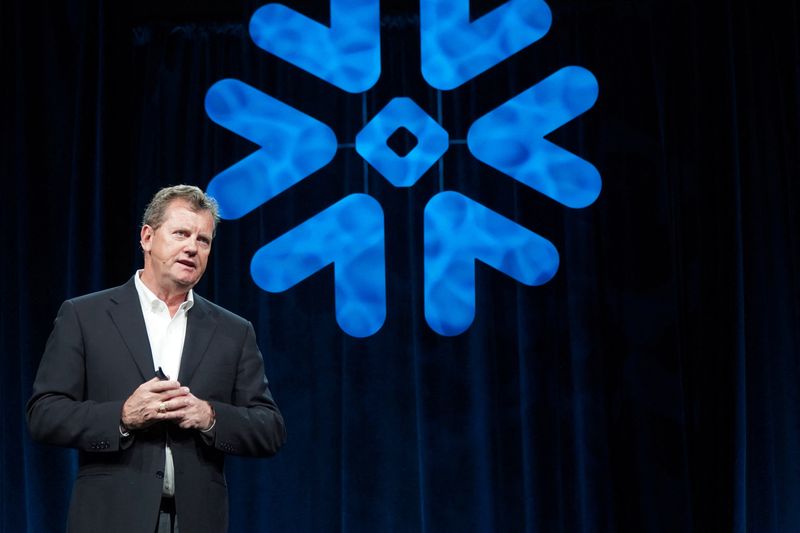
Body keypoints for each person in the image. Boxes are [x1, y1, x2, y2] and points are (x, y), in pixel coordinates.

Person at [27, 185, 286, 533]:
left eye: (203, 240)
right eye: (180, 233)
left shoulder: (233, 331)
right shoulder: (85, 316)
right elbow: (44, 414)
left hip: (196, 522)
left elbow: (269, 429)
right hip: (109, 518)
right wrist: (122, 415)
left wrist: (209, 415)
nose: (192, 247)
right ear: (147, 237)